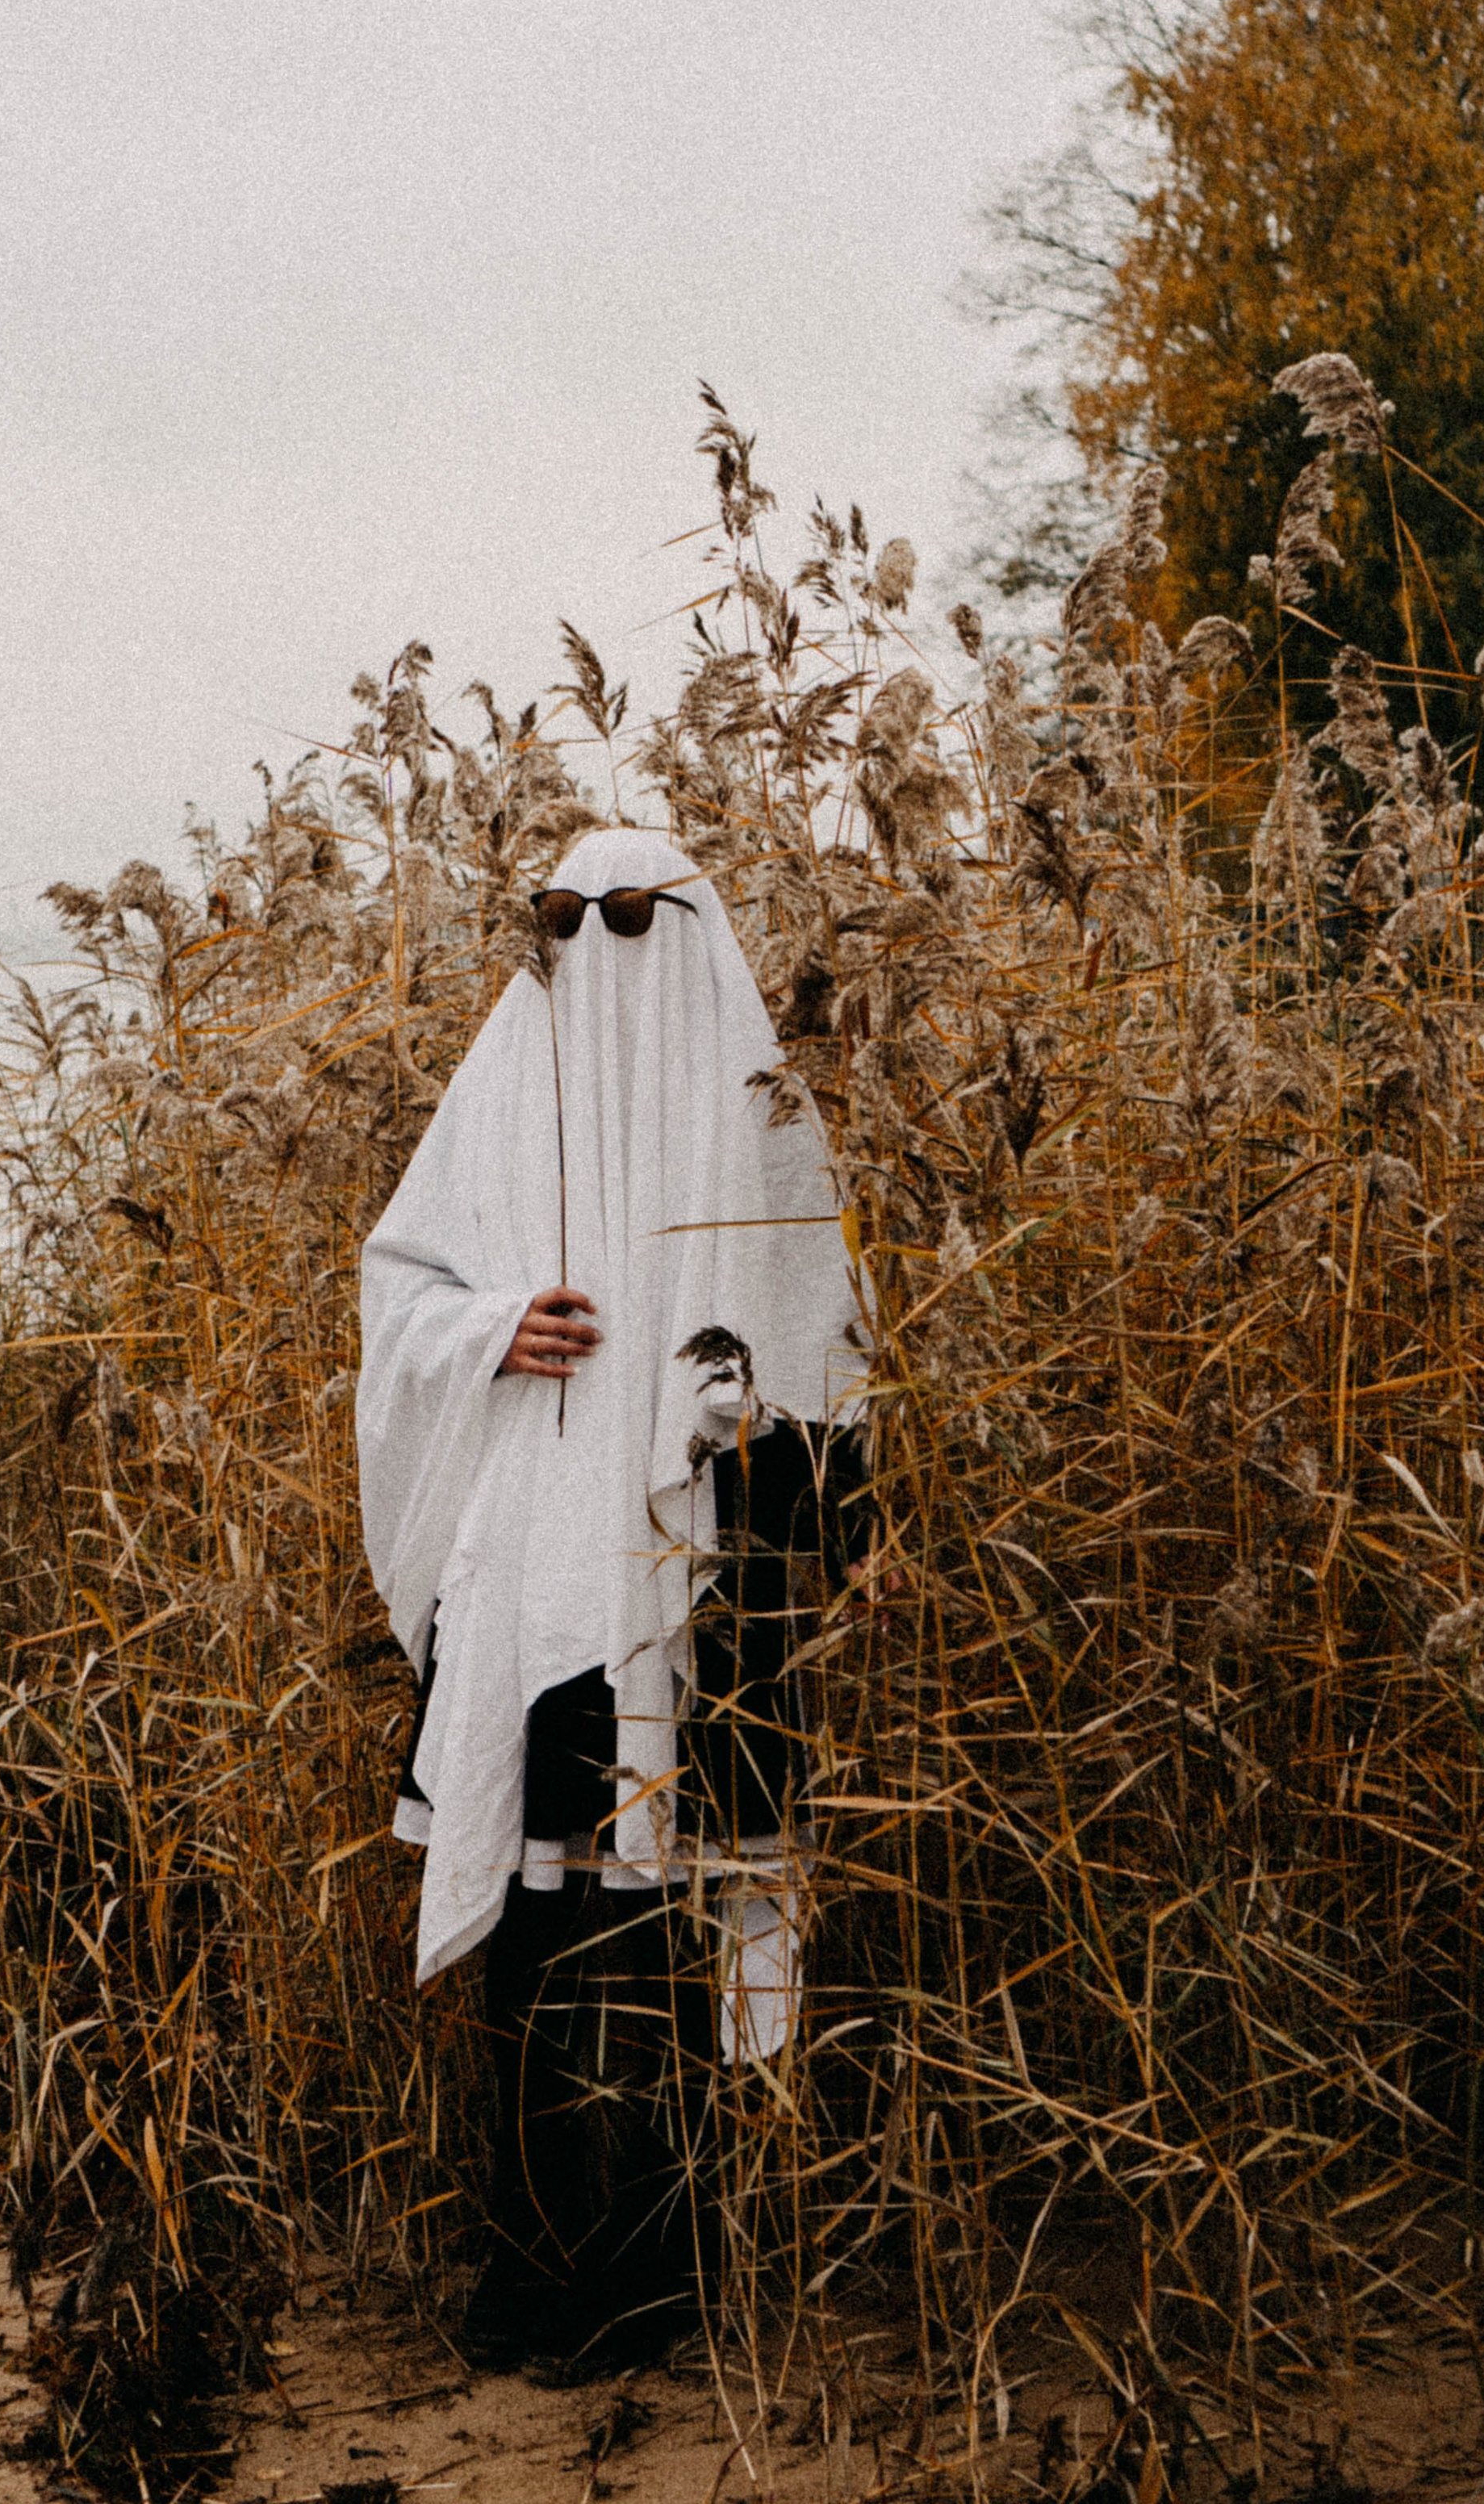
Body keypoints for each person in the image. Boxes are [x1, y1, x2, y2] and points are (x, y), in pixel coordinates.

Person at [357, 828, 869, 2369]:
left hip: (699, 1585)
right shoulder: (508, 1079)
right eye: (564, 920)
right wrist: (495, 1326)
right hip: (527, 1587)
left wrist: (824, 1534)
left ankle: (665, 2271)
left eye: (632, 916)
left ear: (690, 926)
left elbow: (824, 1345)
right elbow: (401, 1283)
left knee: (673, 1926)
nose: (596, 946)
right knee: (534, 1922)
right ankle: (523, 2267)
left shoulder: (757, 1116)